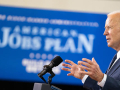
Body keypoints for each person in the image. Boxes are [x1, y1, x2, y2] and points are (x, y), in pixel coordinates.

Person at [62, 11, 120, 90]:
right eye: (105, 28)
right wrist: (83, 76)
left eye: (109, 27)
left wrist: (101, 77)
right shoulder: (116, 58)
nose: (104, 33)